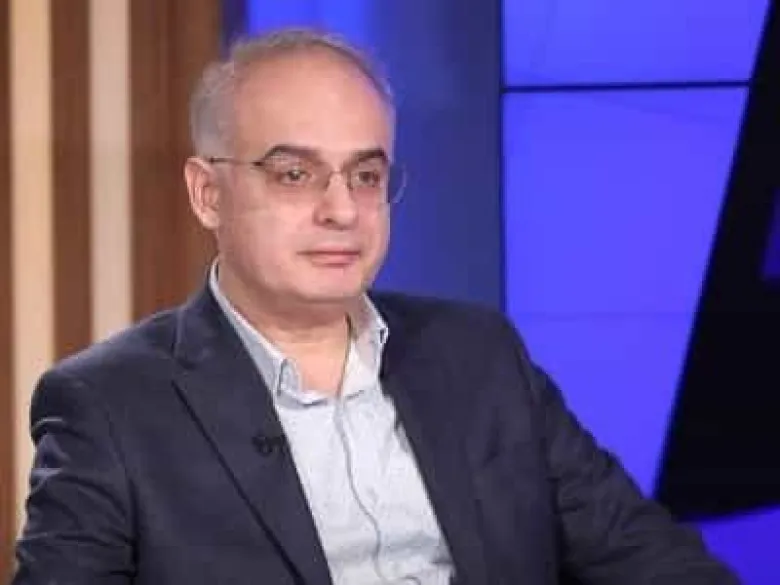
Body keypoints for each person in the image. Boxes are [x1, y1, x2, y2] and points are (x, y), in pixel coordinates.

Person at [12, 28, 739, 585]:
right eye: (294, 174)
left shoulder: (479, 356)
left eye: (366, 174)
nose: (341, 210)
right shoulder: (110, 405)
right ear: (208, 194)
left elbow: (654, 561)